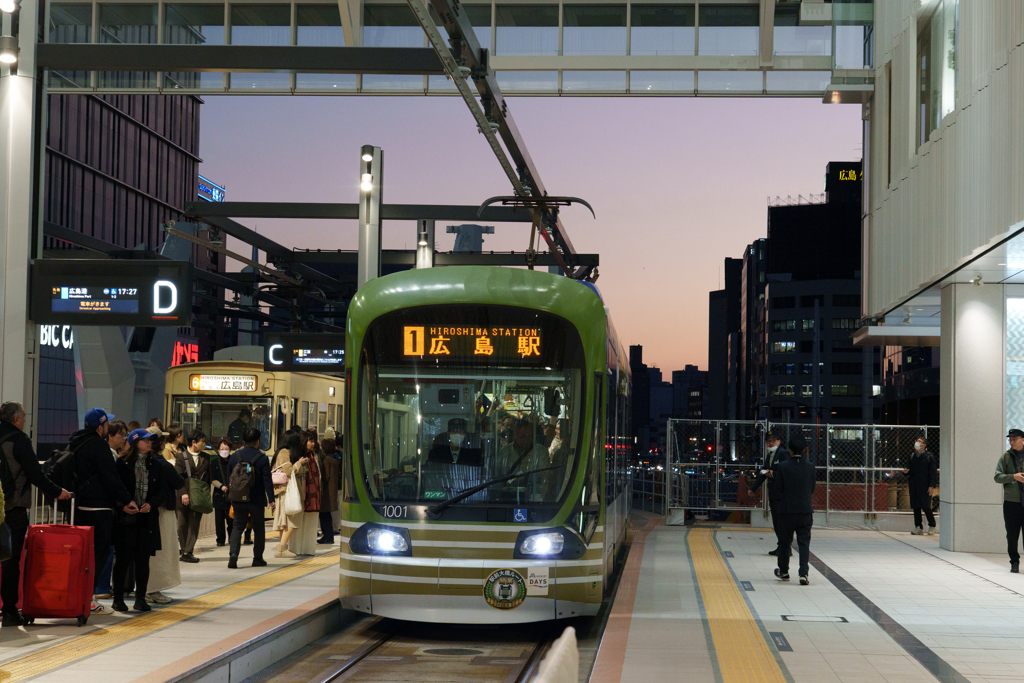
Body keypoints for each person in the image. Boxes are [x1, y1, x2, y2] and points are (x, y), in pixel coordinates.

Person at [0, 402, 71, 626]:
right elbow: (36, 474)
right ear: (17, 420)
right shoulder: (18, 440)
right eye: (24, 417)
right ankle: (10, 611)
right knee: (10, 562)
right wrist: (58, 492)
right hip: (11, 509)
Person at [70, 408, 137, 613]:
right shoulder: (99, 446)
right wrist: (126, 500)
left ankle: (78, 596)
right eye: (107, 425)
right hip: (99, 509)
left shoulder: (76, 443)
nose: (108, 428)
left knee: (82, 554)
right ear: (100, 428)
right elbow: (111, 477)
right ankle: (89, 599)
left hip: (79, 507)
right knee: (98, 554)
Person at [111, 429, 184, 612]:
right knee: (123, 560)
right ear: (135, 442)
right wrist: (124, 505)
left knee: (143, 561)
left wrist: (151, 504)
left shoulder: (156, 465)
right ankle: (118, 599)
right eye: (145, 440)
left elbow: (162, 491)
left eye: (151, 440)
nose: (150, 443)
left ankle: (140, 599)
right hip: (126, 519)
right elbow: (114, 488)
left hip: (147, 519)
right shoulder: (122, 463)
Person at [144, 425, 183, 605]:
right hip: (161, 511)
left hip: (143, 510)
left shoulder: (138, 462)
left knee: (145, 552)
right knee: (161, 551)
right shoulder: (162, 464)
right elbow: (178, 482)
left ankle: (141, 589)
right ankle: (153, 589)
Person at [227, 428, 275, 569]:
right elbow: (267, 480)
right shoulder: (262, 458)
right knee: (259, 528)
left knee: (237, 526)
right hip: (256, 500)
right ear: (258, 441)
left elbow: (230, 476)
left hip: (238, 499)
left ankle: (233, 554)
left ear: (243, 441)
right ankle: (257, 558)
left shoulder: (234, 456)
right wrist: (271, 499)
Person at [774, 434, 816, 585]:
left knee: (785, 542)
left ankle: (784, 571)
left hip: (786, 510)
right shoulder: (811, 467)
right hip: (805, 510)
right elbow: (812, 489)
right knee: (804, 543)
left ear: (790, 450)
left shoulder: (783, 466)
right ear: (805, 449)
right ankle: (803, 573)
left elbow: (778, 489)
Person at [95, 420, 130, 600]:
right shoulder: (109, 455)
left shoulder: (112, 454)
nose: (123, 439)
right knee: (106, 549)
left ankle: (102, 586)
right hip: (108, 508)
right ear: (109, 435)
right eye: (120, 435)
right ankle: (100, 587)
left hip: (109, 507)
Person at [748, 432, 790, 556]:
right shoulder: (770, 455)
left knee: (781, 523)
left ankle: (785, 548)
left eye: (772, 441)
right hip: (773, 494)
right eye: (768, 441)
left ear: (779, 441)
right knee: (777, 523)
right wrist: (753, 488)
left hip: (781, 495)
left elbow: (787, 473)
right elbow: (763, 471)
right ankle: (782, 546)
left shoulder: (782, 454)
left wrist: (774, 474)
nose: (770, 443)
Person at [174, 429, 210, 563]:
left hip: (198, 497)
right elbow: (177, 478)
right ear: (194, 442)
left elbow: (208, 478)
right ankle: (183, 549)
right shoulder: (181, 457)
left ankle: (188, 551)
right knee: (182, 524)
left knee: (194, 524)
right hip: (183, 495)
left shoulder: (206, 457)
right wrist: (183, 493)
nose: (204, 444)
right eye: (202, 441)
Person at [994, 429, 1024, 573]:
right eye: (1010, 439)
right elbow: (997, 477)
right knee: (1012, 534)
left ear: (1022, 439)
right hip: (1011, 502)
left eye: (1014, 439)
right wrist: (1013, 477)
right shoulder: (1005, 457)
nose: (1011, 442)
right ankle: (1014, 562)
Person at [292, 430, 322, 555]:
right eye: (310, 441)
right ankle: (296, 549)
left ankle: (308, 549)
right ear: (304, 442)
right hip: (301, 493)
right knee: (299, 522)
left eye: (313, 441)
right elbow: (291, 472)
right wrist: (299, 464)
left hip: (313, 494)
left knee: (310, 523)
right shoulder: (297, 457)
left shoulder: (313, 457)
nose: (313, 443)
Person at [272, 431, 300, 558]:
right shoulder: (284, 452)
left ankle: (282, 547)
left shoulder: (281, 451)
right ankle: (282, 548)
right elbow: (288, 471)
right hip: (285, 491)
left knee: (284, 521)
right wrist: (299, 463)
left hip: (283, 491)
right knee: (290, 520)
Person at [904, 436, 938, 536]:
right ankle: (918, 527)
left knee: (926, 506)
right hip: (914, 484)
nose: (917, 443)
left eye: (919, 441)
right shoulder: (913, 456)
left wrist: (931, 486)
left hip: (924, 485)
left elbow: (933, 473)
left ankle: (932, 525)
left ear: (924, 445)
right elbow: (908, 468)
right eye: (917, 441)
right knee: (916, 506)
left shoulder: (929, 457)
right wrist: (906, 472)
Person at [211, 438, 234, 547]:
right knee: (219, 520)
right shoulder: (214, 462)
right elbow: (212, 478)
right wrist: (221, 486)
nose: (224, 450)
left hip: (231, 495)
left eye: (226, 448)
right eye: (221, 448)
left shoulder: (233, 461)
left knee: (231, 519)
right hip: (219, 495)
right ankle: (220, 539)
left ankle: (231, 538)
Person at [318, 437, 341, 544]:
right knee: (327, 515)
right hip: (332, 491)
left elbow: (325, 477)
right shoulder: (336, 459)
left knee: (324, 515)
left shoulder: (326, 460)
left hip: (326, 492)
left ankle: (327, 536)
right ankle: (329, 536)